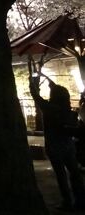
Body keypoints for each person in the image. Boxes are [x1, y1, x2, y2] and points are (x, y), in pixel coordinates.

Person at [30, 75, 85, 211]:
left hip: (54, 147)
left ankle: (67, 202)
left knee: (61, 176)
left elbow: (36, 97)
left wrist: (33, 84)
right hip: (68, 146)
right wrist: (51, 83)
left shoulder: (48, 109)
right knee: (75, 173)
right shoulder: (70, 112)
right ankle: (81, 200)